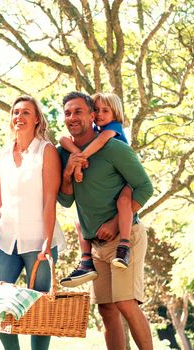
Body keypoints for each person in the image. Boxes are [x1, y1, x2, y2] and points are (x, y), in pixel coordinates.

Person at [56, 91, 154, 350]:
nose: (73, 117)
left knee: (125, 303)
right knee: (107, 310)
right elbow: (65, 201)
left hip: (126, 235)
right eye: (67, 113)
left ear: (92, 115)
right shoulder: (62, 153)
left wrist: (113, 224)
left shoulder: (113, 147)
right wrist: (67, 173)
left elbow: (144, 188)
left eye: (79, 111)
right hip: (95, 246)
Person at [0, 95, 67, 350]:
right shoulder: (3, 155)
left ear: (37, 119)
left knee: (40, 311)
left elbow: (49, 200)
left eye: (26, 112)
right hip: (6, 240)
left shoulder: (46, 150)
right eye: (15, 112)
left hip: (40, 240)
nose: (19, 116)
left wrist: (47, 242)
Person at [59, 92, 134, 289]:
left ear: (115, 113)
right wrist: (74, 160)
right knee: (78, 219)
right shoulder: (93, 130)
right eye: (97, 110)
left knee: (123, 203)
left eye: (105, 111)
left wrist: (80, 158)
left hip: (128, 183)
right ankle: (86, 260)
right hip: (97, 240)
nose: (100, 114)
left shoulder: (112, 130)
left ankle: (124, 245)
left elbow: (99, 144)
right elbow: (63, 139)